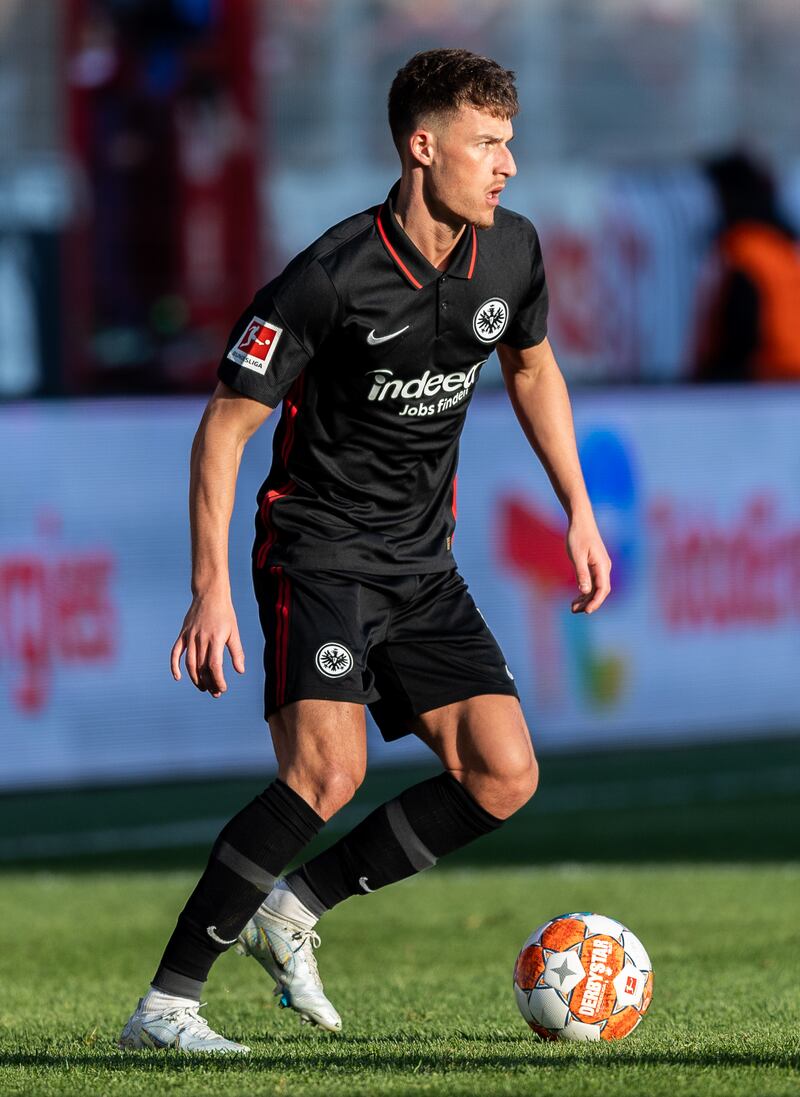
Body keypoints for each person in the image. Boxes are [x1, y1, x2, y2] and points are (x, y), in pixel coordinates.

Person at [119, 47, 611, 1054]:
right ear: (420, 148)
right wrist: (210, 587)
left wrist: (577, 507)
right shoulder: (328, 277)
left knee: (502, 773)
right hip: (317, 548)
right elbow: (224, 426)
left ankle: (291, 907)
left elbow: (531, 369)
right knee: (324, 770)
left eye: (508, 143)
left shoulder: (510, 252)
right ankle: (165, 1005)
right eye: (486, 144)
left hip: (420, 563)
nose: (506, 164)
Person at [695, 151, 800, 382]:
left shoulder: (745, 250)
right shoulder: (782, 246)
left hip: (765, 384)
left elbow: (741, 332)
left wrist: (712, 376)